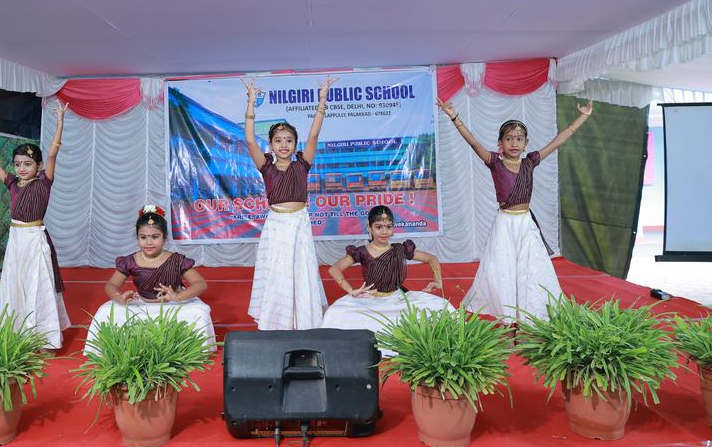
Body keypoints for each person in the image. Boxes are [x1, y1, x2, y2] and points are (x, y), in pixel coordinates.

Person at [437, 96, 594, 322]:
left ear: (526, 143)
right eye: (509, 138)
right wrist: (454, 117)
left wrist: (583, 117)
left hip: (525, 223)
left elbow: (558, 141)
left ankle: (530, 313)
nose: (514, 143)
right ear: (500, 143)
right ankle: (508, 314)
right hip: (505, 224)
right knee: (503, 269)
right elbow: (473, 142)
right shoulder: (495, 162)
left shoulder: (530, 162)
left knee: (531, 267)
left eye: (519, 139)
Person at [0, 104, 71, 349]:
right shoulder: (12, 183)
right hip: (16, 240)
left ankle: (46, 340)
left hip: (35, 239)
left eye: (27, 163)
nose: (22, 168)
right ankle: (15, 334)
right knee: (14, 284)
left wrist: (60, 123)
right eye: (18, 164)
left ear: (38, 166)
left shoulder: (44, 182)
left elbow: (52, 154)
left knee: (38, 285)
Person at [243, 75, 337, 330]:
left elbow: (314, 135)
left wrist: (322, 100)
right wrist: (251, 103)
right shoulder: (266, 167)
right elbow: (250, 140)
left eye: (289, 140)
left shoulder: (302, 165)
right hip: (276, 225)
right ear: (271, 145)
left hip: (299, 223)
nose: (283, 144)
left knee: (302, 270)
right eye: (278, 140)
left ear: (295, 144)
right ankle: (276, 323)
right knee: (278, 272)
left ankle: (304, 322)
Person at [84, 206, 215, 355]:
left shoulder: (177, 260)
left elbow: (200, 284)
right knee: (104, 312)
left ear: (164, 238)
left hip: (172, 304)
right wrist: (118, 297)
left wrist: (178, 296)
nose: (149, 242)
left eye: (155, 237)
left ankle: (187, 351)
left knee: (200, 312)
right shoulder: (130, 261)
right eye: (143, 237)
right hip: (141, 303)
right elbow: (111, 285)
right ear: (137, 238)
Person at [322, 206, 453, 341]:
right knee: (334, 313)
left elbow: (432, 259)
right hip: (369, 300)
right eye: (379, 227)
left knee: (442, 306)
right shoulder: (361, 252)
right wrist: (351, 290)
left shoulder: (400, 249)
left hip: (396, 300)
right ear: (369, 227)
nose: (384, 232)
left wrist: (438, 281)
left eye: (388, 227)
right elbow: (334, 269)